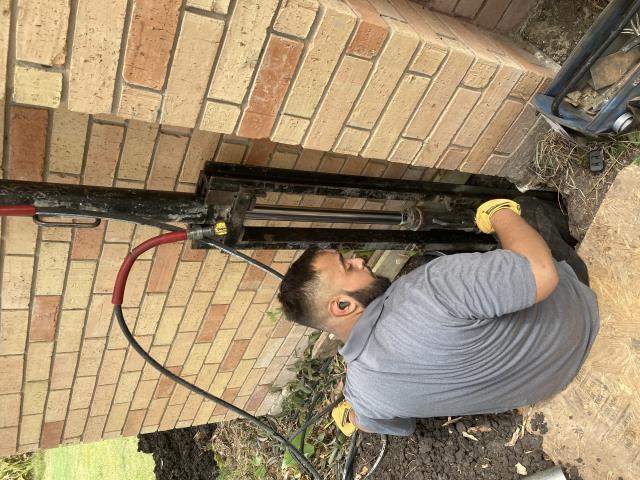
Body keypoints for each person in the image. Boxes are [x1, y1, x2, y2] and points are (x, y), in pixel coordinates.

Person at [277, 197, 599, 436]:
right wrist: (498, 213)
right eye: (348, 267)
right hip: (577, 313)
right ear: (343, 306)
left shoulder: (366, 392)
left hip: (547, 383)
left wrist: (353, 415)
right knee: (525, 208)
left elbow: (371, 423)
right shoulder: (431, 287)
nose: (360, 262)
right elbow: (541, 274)